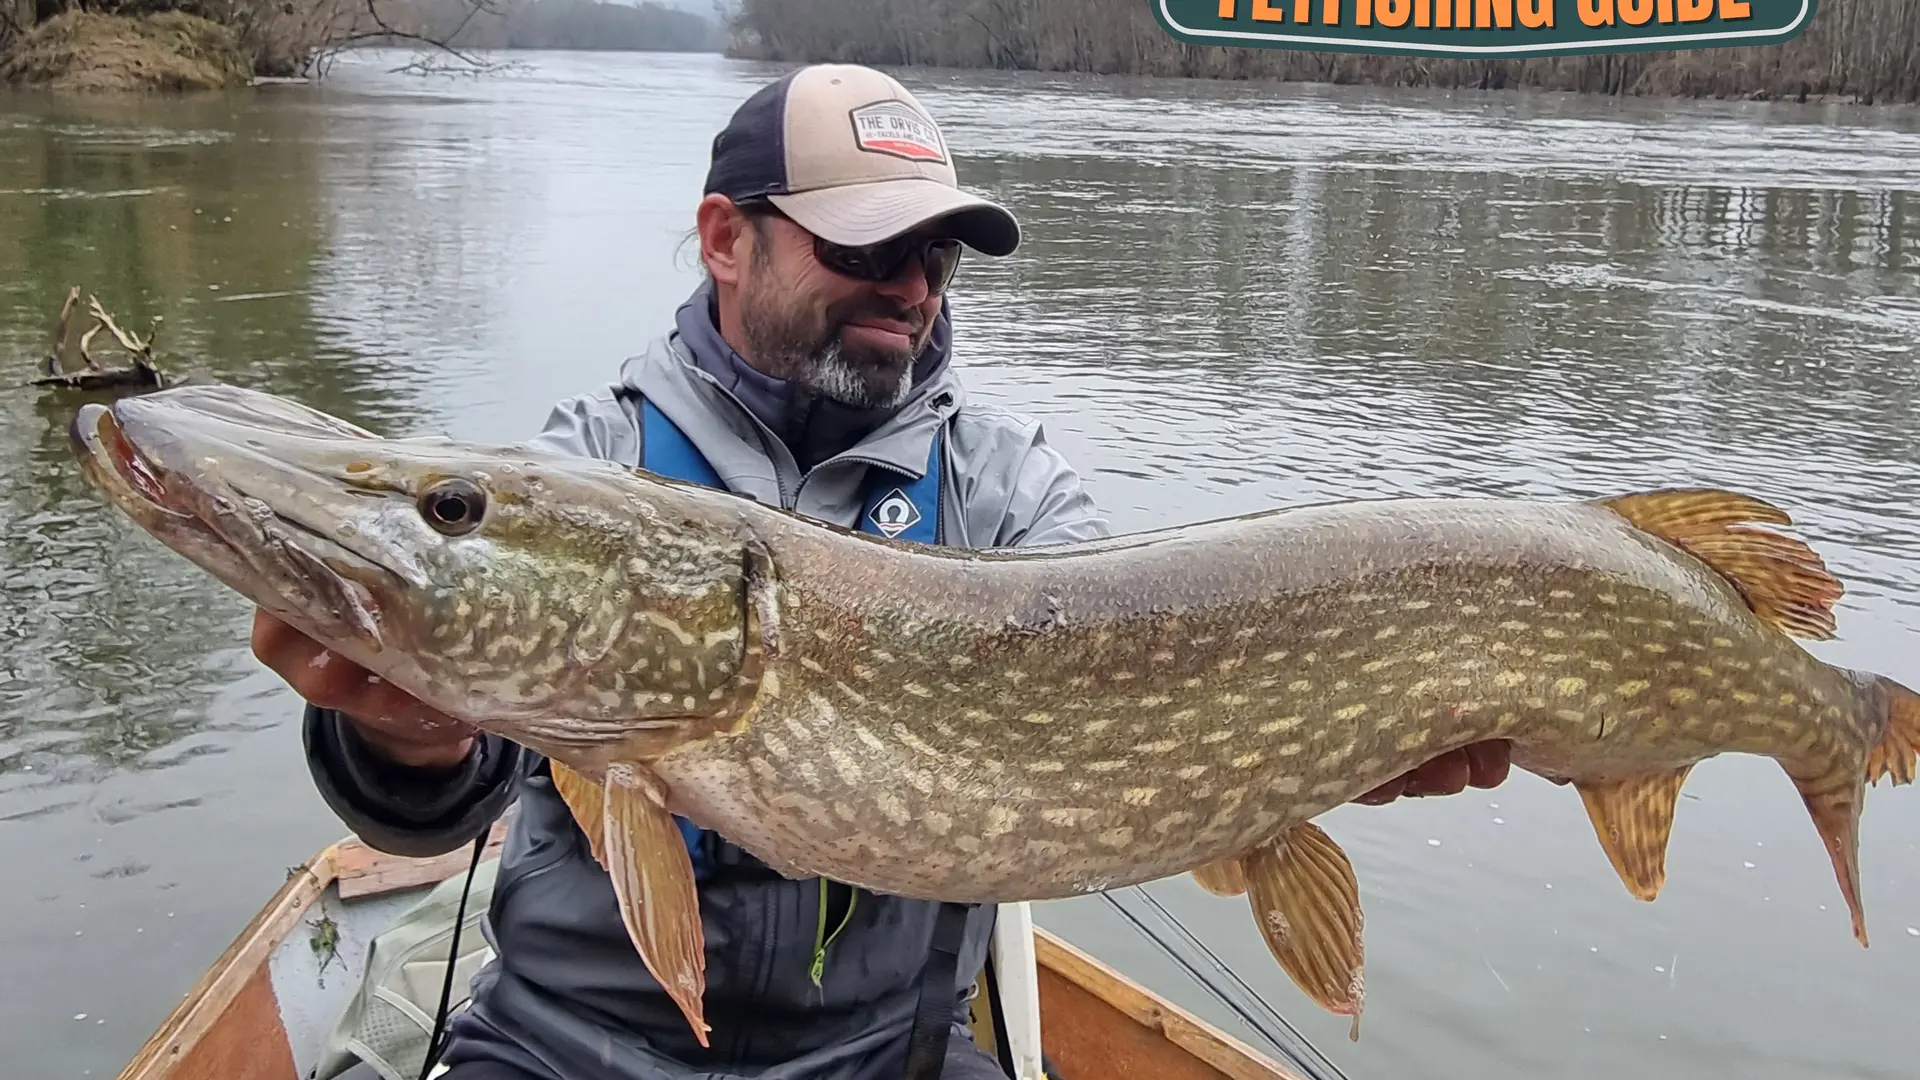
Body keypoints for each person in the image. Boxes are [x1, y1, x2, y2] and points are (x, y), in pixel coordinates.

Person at [253, 63, 1513, 1080]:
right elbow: (438, 795)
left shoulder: (1010, 496)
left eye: (938, 255)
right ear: (724, 240)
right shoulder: (592, 465)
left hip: (885, 1060)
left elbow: (1159, 664)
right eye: (867, 247)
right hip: (566, 1052)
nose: (910, 289)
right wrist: (410, 738)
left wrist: (1324, 737)